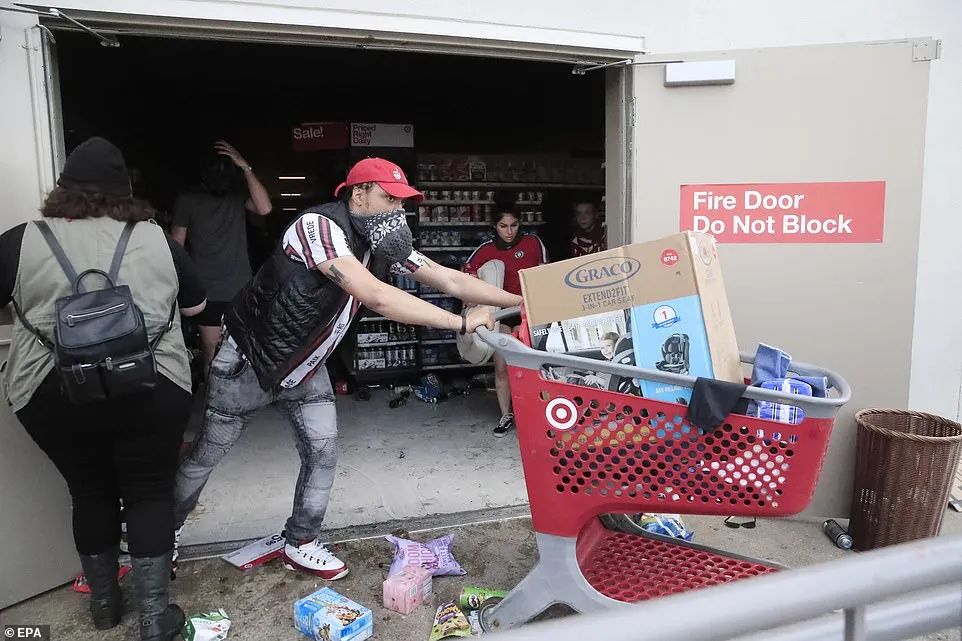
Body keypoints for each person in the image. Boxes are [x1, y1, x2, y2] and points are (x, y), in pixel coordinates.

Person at [173, 158, 520, 580]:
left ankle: (299, 542)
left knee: (322, 453)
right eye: (388, 198)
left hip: (306, 364)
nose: (397, 210)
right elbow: (375, 295)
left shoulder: (379, 238)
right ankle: (161, 535)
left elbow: (448, 279)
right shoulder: (317, 228)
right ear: (358, 193)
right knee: (207, 454)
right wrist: (461, 322)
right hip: (252, 359)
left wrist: (520, 301)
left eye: (402, 202)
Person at [0, 137, 207, 641]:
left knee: (88, 491)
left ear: (62, 189)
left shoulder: (18, 241)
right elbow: (198, 310)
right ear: (126, 190)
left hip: (52, 393)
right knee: (148, 494)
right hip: (152, 389)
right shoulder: (159, 240)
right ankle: (156, 619)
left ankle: (104, 607)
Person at [171, 140, 272, 368]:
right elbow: (177, 248)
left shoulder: (234, 197)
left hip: (230, 288)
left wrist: (245, 166)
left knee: (216, 353)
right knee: (223, 354)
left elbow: (265, 208)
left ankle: (220, 401)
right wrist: (244, 166)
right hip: (212, 290)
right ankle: (219, 402)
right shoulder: (191, 199)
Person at [463, 201, 548, 437]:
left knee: (533, 368)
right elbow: (466, 280)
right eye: (503, 226)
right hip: (500, 317)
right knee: (501, 369)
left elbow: (545, 277)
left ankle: (533, 414)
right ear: (494, 226)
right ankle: (505, 415)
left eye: (514, 225)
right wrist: (471, 302)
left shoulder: (533, 244)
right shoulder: (485, 250)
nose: (509, 231)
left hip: (529, 315)